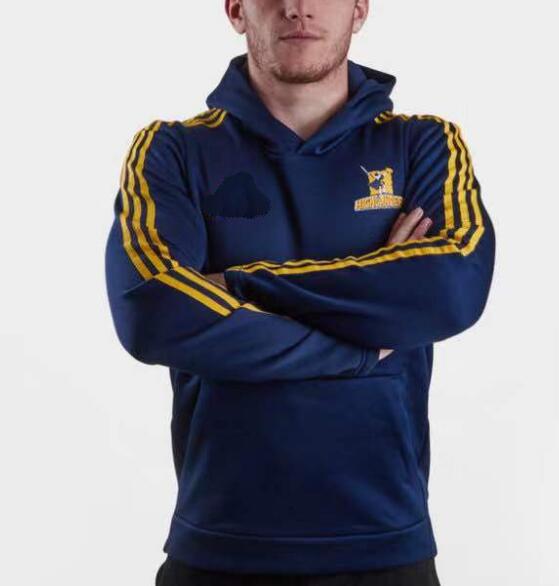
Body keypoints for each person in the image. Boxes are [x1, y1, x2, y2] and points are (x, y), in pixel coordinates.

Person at [104, 1, 496, 584]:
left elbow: (449, 287)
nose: (298, 8)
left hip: (385, 546)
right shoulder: (171, 151)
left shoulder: (423, 144)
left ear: (359, 9)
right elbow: (151, 310)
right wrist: (360, 342)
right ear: (236, 9)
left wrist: (237, 283)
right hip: (218, 546)